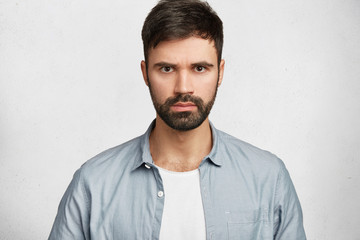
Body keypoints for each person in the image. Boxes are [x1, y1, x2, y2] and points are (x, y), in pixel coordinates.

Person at [49, 0, 306, 239]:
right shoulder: (93, 184)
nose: (184, 88)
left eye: (199, 68)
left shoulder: (269, 178)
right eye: (167, 68)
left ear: (220, 72)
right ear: (145, 73)